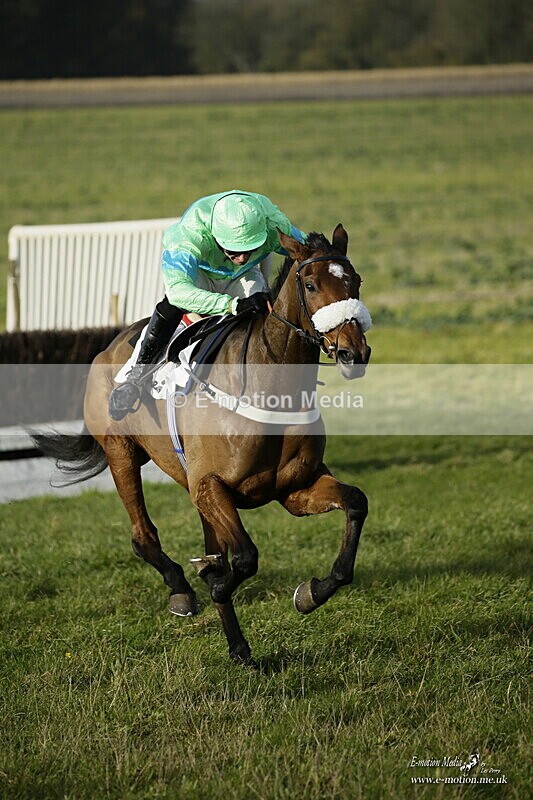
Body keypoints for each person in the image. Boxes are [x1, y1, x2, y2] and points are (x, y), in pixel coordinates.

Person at [108, 190, 306, 419]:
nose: (241, 257)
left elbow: (306, 249)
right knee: (171, 306)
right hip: (198, 276)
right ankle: (135, 378)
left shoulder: (272, 223)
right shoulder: (188, 237)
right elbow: (178, 293)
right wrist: (233, 306)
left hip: (242, 276)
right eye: (234, 250)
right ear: (216, 237)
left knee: (263, 312)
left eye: (248, 249)